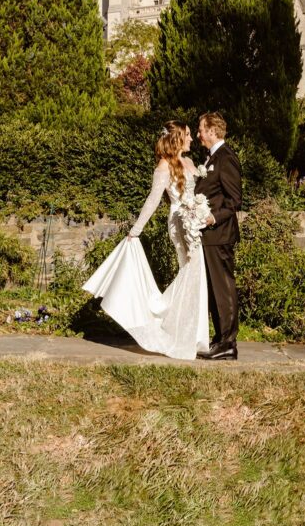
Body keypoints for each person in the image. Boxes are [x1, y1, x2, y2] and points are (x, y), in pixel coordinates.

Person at [82, 120, 210, 360]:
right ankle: (172, 327)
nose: (192, 138)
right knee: (191, 271)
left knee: (194, 273)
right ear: (177, 138)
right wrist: (136, 230)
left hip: (195, 220)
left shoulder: (190, 162)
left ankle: (190, 333)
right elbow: (153, 200)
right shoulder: (163, 166)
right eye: (187, 134)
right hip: (180, 223)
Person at [194, 112, 242, 361]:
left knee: (223, 288)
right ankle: (220, 339)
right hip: (210, 236)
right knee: (215, 289)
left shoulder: (226, 158)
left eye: (201, 130)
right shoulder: (212, 158)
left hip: (220, 234)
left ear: (212, 131)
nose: (198, 135)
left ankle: (228, 343)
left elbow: (235, 200)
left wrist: (213, 218)